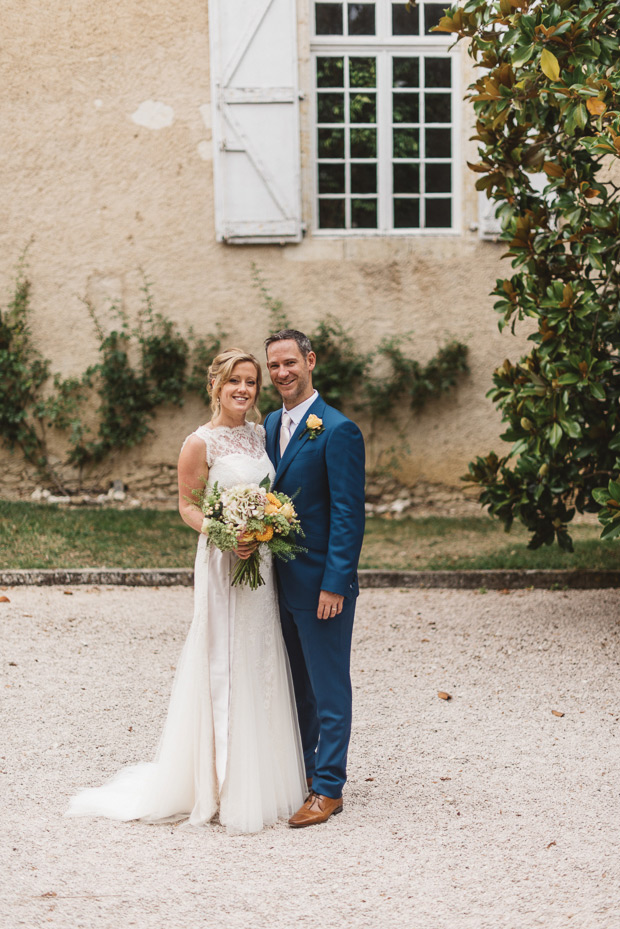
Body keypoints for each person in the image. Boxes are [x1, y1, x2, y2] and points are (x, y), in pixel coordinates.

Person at [67, 348, 306, 834]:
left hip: (259, 559)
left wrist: (266, 525)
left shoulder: (261, 435)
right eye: (235, 381)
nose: (244, 390)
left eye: (251, 383)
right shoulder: (199, 443)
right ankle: (216, 780)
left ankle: (262, 775)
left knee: (259, 655)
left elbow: (271, 494)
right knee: (222, 656)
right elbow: (187, 506)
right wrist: (224, 533)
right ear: (216, 386)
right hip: (222, 561)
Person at [264, 329, 366, 827]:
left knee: (328, 686)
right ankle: (305, 772)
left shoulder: (338, 430)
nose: (282, 373)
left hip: (322, 587)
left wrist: (335, 582)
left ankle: (330, 787)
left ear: (310, 361)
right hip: (276, 585)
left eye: (290, 363)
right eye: (274, 366)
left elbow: (349, 513)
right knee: (295, 685)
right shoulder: (268, 423)